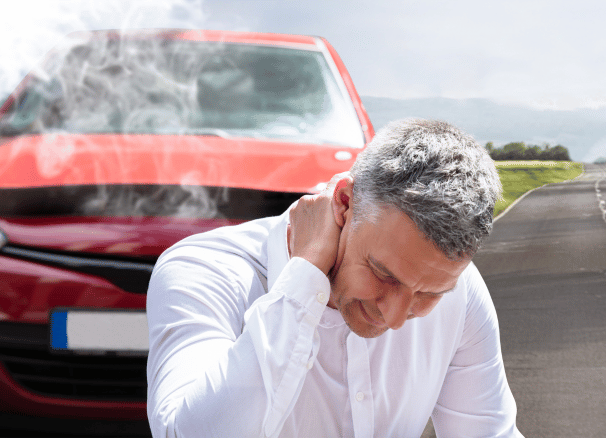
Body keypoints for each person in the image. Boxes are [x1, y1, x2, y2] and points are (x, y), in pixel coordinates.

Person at [146, 118, 524, 437]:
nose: (394, 319)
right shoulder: (204, 270)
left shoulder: (461, 288)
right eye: (382, 274)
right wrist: (305, 275)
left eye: (430, 294)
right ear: (344, 203)